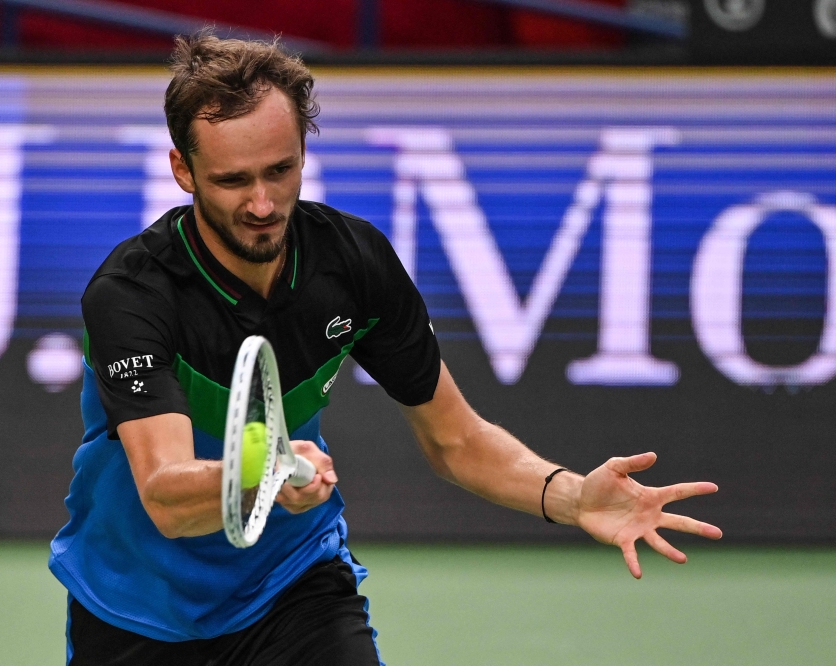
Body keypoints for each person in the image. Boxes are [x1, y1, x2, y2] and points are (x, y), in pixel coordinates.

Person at [49, 33, 722, 666]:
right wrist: (266, 471)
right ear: (182, 170)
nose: (262, 203)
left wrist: (572, 497)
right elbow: (166, 498)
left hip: (290, 585)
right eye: (232, 181)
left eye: (281, 170)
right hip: (135, 607)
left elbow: (456, 440)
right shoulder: (132, 294)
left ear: (304, 153)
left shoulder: (351, 263)